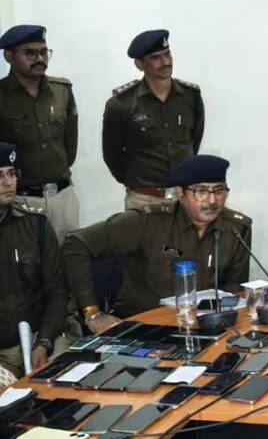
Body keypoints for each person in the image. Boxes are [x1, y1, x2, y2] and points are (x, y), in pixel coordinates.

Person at [62, 154, 251, 332]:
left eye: (219, 191)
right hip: (144, 326)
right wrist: (92, 313)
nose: (212, 200)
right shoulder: (148, 222)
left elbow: (234, 294)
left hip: (206, 327)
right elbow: (75, 245)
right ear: (180, 193)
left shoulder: (236, 229)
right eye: (201, 191)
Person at [102, 29, 204, 210]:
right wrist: (138, 182)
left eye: (167, 54)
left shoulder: (190, 97)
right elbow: (112, 155)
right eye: (156, 58)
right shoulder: (122, 104)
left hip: (185, 198)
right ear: (139, 64)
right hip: (143, 200)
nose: (165, 62)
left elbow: (194, 142)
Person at [0, 24, 78, 241]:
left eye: (44, 52)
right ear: (9, 56)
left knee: (69, 256)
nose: (40, 59)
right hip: (20, 200)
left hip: (62, 198)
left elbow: (70, 146)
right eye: (30, 53)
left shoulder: (62, 91)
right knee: (25, 259)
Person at [0, 142, 70, 378]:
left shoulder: (35, 225)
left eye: (12, 174)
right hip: (3, 355)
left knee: (68, 378)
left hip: (40, 340)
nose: (8, 182)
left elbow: (57, 290)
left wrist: (45, 342)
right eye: (0, 176)